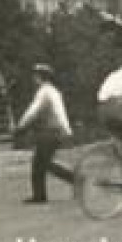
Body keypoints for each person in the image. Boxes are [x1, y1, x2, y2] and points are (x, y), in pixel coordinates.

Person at [16, 63, 73, 205]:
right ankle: (41, 195)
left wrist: (21, 126)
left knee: (40, 164)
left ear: (40, 77)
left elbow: (33, 111)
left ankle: (41, 195)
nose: (33, 78)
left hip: (51, 131)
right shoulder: (52, 91)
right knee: (43, 163)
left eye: (35, 75)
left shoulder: (45, 92)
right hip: (55, 131)